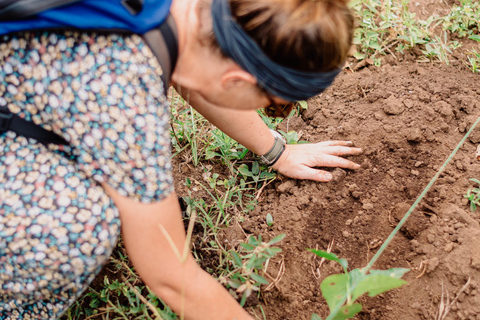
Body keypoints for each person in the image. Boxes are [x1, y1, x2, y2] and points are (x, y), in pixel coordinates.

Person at [0, 0, 361, 319]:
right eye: (275, 105)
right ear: (236, 79)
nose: (273, 112)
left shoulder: (180, 15)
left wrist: (276, 149)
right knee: (82, 224)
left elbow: (192, 70)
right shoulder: (123, 90)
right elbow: (170, 274)